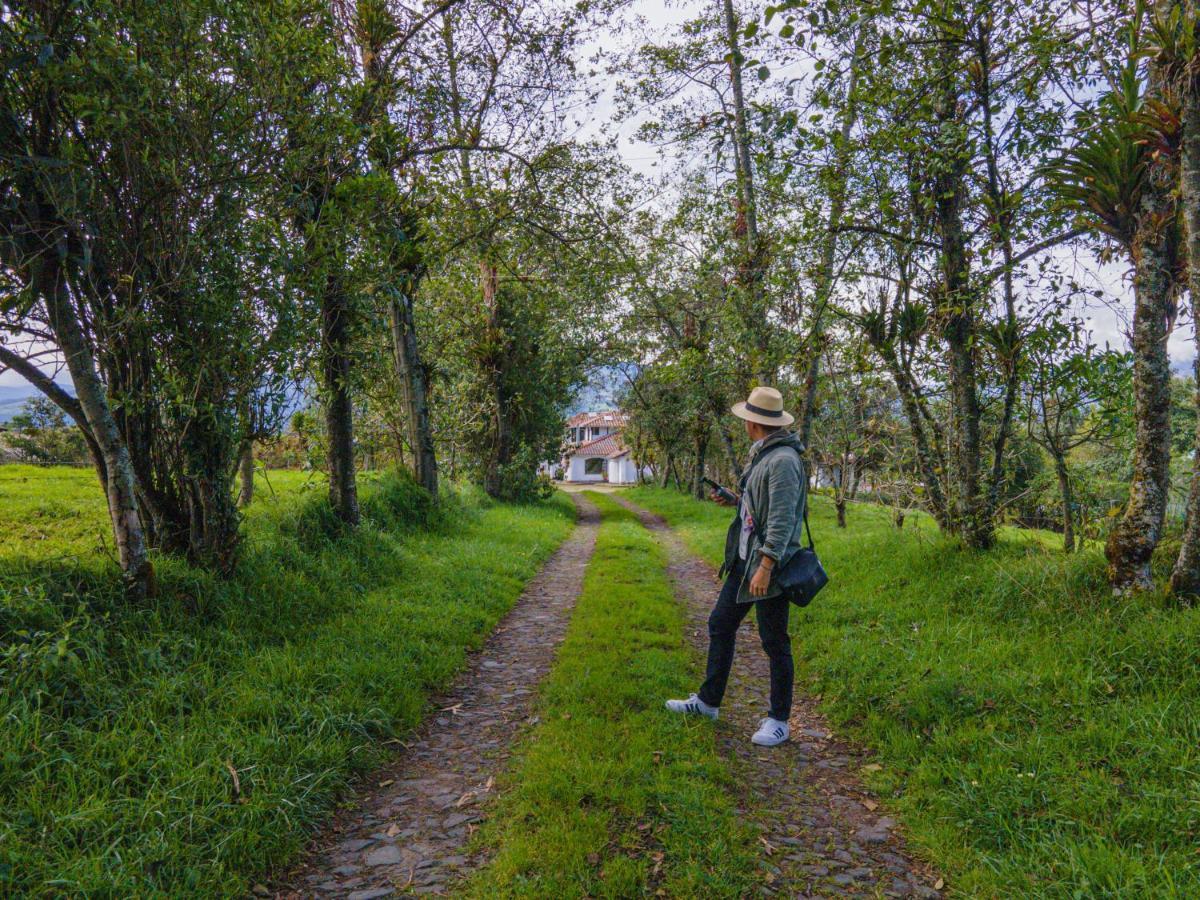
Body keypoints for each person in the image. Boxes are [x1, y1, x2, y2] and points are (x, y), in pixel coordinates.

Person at [665, 386, 807, 747]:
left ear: (754, 422)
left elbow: (782, 518)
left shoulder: (784, 461)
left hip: (766, 568)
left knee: (774, 641)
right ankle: (709, 702)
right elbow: (760, 505)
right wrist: (735, 499)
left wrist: (767, 564)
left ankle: (779, 720)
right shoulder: (764, 453)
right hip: (745, 563)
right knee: (720, 623)